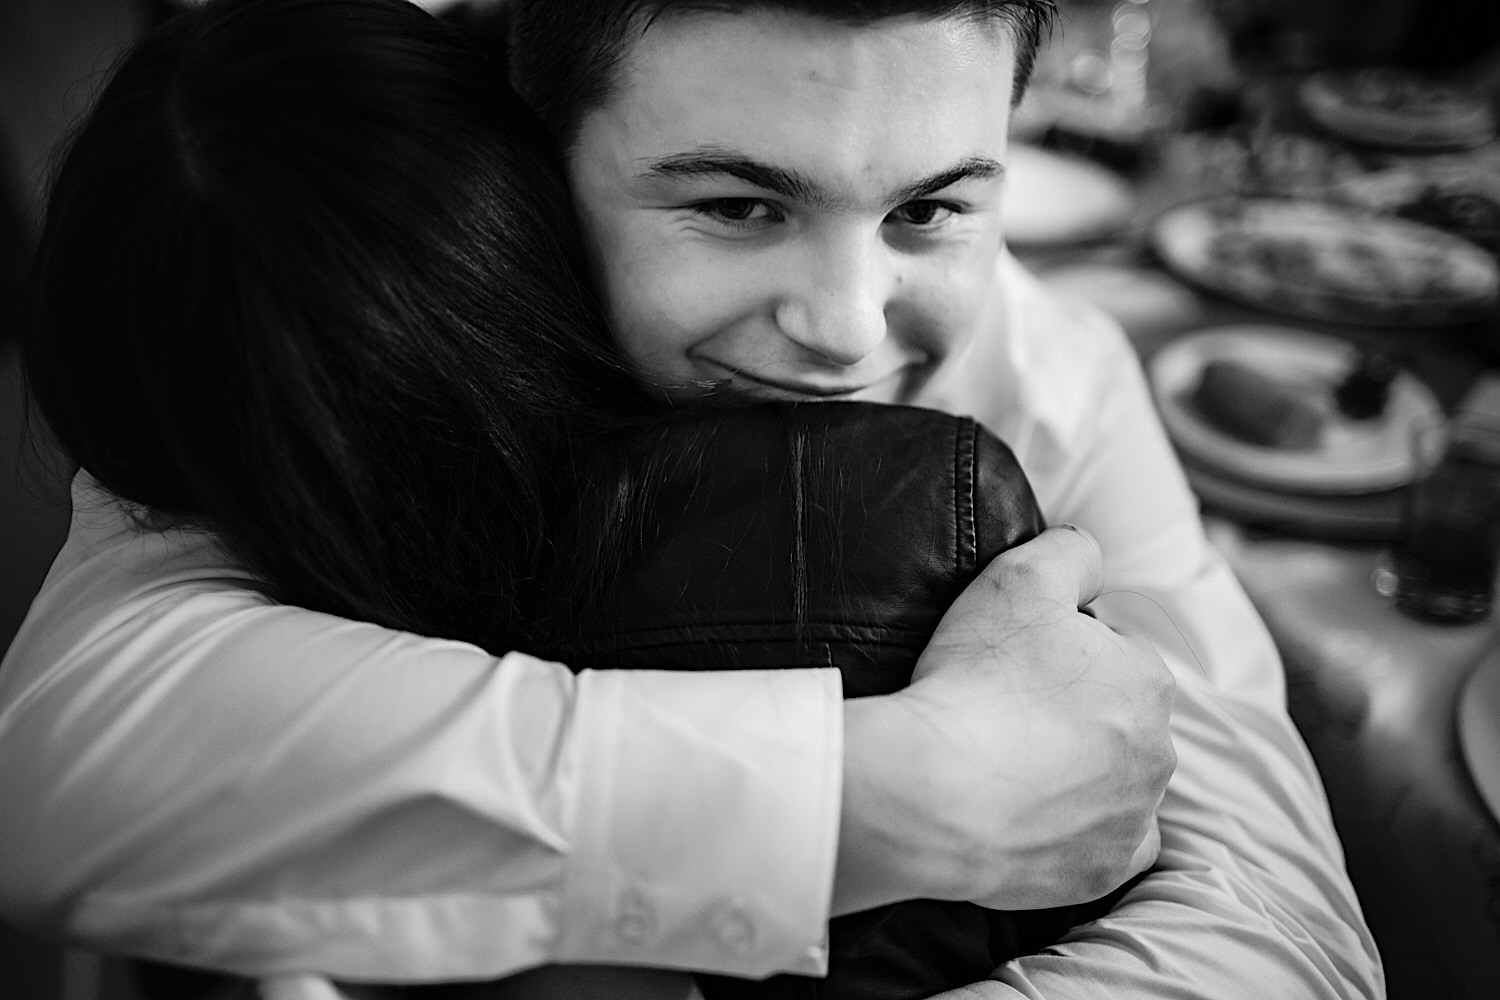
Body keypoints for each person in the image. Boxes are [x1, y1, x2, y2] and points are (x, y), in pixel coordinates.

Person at [0, 1, 1383, 998]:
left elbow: (1284, 922)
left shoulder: (1054, 377)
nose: (849, 328)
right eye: (736, 206)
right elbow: (69, 764)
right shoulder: (367, 292)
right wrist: (892, 792)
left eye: (929, 208)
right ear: (525, 148)